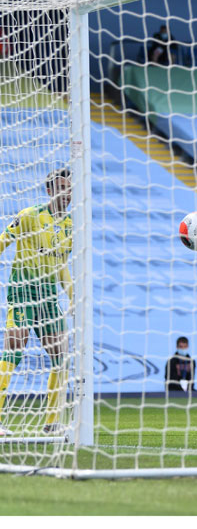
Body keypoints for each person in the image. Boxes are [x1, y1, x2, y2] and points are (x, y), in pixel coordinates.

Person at [0, 168, 72, 437]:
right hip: (23, 292)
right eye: (63, 188)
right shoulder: (30, 216)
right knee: (13, 351)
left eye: (71, 189)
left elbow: (62, 266)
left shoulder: (70, 225)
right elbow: (2, 242)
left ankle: (52, 423)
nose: (68, 195)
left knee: (61, 358)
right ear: (50, 191)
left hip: (49, 297)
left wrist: (74, 298)